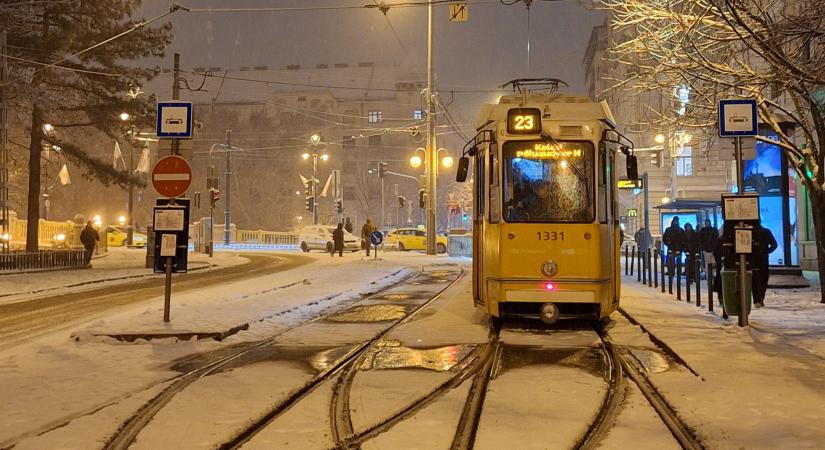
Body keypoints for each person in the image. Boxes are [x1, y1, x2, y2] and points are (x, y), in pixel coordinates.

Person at [752, 223, 778, 308]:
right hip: (763, 260)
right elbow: (774, 244)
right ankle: (760, 298)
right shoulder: (766, 232)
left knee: (755, 280)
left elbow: (774, 245)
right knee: (763, 279)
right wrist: (767, 251)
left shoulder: (751, 232)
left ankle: (757, 300)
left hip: (754, 260)